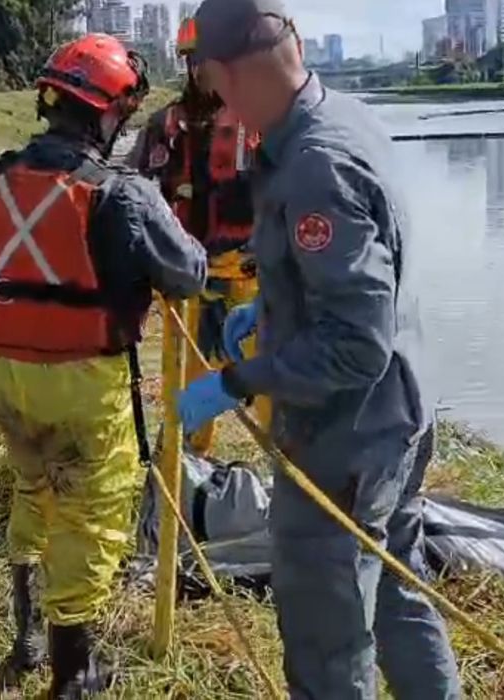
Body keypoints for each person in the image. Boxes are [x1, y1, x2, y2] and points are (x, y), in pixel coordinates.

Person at [179, 1, 463, 698]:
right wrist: (272, 310)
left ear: (220, 74)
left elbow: (354, 347)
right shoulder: (344, 115)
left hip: (346, 443)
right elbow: (363, 283)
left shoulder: (313, 167)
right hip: (401, 414)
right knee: (398, 590)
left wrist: (243, 378)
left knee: (327, 640)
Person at [0, 34, 207, 697]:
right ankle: (73, 672)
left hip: (5, 373)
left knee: (31, 487)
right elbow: (188, 273)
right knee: (91, 515)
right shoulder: (122, 194)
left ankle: (27, 635)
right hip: (86, 383)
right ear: (108, 111)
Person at [128, 16, 269, 456]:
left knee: (272, 388)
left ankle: (291, 481)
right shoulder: (164, 128)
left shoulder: (260, 124)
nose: (206, 71)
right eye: (198, 62)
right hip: (189, 280)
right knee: (188, 389)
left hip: (252, 276)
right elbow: (134, 199)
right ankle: (183, 472)